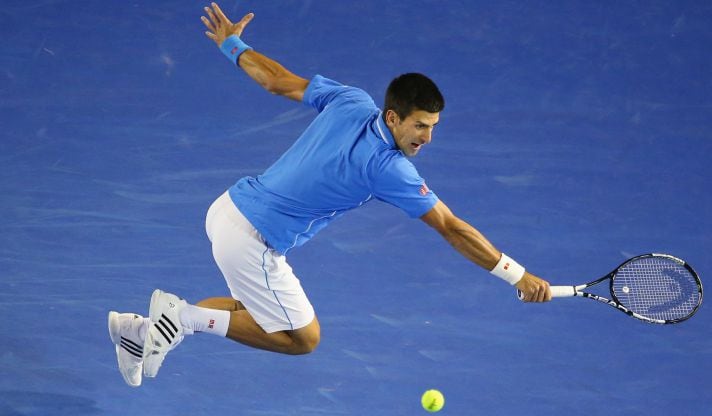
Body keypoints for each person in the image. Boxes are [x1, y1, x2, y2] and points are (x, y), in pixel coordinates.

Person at [107, 2, 552, 387]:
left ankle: (141, 331)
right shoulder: (389, 168)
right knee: (303, 338)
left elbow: (278, 81)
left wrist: (233, 46)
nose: (427, 139)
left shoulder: (352, 100)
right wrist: (518, 275)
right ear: (394, 117)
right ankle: (178, 318)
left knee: (253, 313)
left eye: (433, 127)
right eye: (420, 126)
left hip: (226, 209)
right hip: (252, 240)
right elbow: (452, 228)